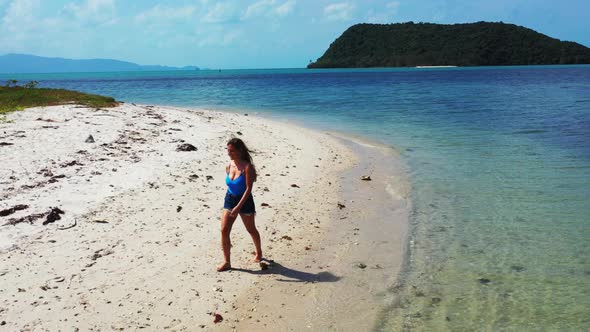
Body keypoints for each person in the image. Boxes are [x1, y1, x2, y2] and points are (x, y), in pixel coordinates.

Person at [217, 138, 262, 272]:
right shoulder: (228, 166)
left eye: (232, 151)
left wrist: (238, 208)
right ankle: (227, 262)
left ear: (240, 151)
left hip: (245, 201)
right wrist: (232, 205)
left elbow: (248, 189)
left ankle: (259, 252)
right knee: (224, 230)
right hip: (230, 199)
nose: (229, 153)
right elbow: (230, 185)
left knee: (251, 229)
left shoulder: (247, 167)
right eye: (228, 150)